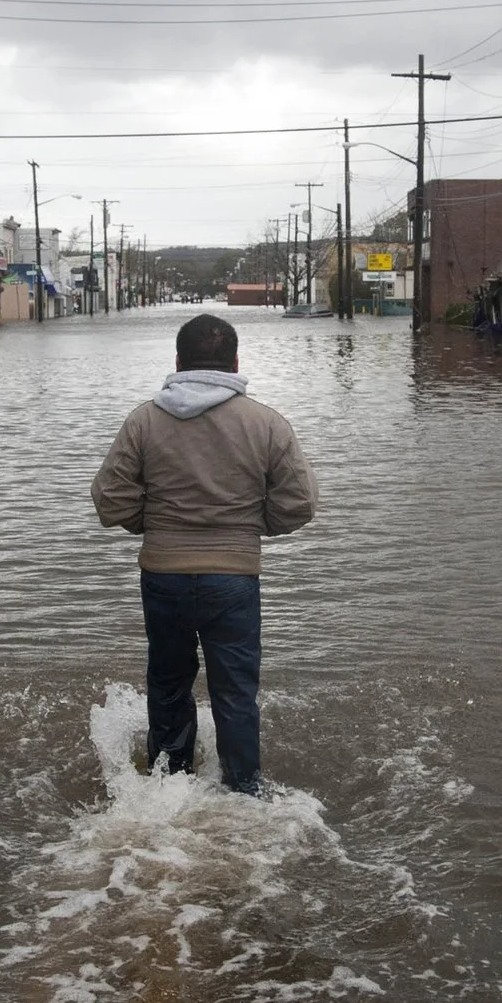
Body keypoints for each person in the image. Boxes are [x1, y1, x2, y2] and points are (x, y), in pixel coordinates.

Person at [92, 313, 316, 792]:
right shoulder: (266, 423)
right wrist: (250, 530)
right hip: (234, 579)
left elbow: (109, 499)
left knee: (169, 683)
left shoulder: (144, 421)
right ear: (234, 362)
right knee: (236, 693)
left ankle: (168, 785)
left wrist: (147, 523)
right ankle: (243, 790)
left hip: (163, 576)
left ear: (178, 361)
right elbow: (300, 504)